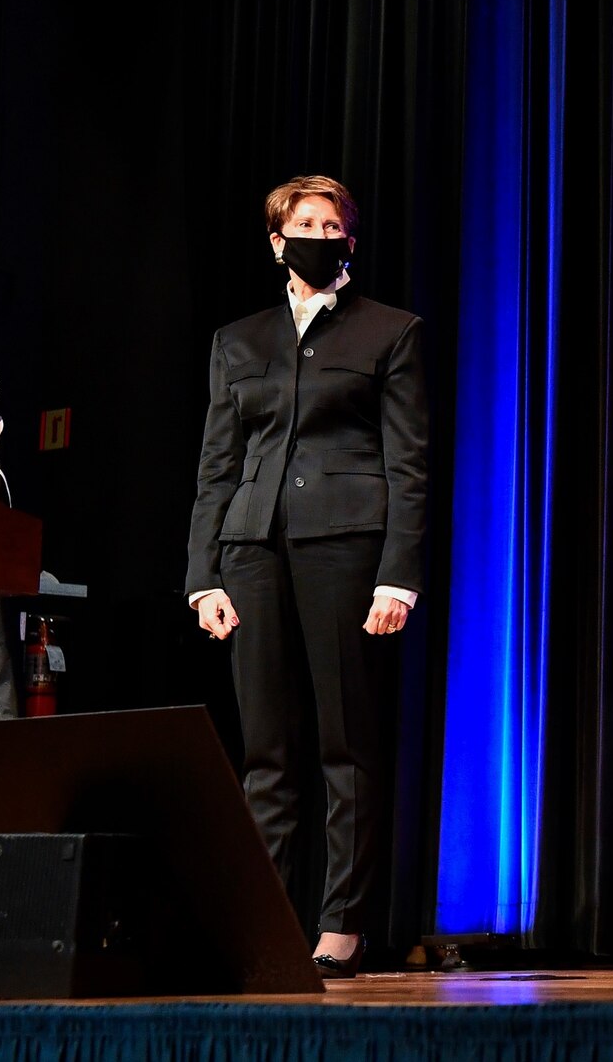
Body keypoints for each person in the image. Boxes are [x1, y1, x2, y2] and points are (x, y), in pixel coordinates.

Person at [184, 175, 428, 978]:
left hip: (345, 550)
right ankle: (270, 919)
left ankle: (342, 924)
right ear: (277, 241)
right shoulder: (238, 339)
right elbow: (216, 468)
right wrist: (204, 576)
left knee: (344, 745)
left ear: (349, 240)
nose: (318, 233)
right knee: (266, 751)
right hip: (251, 553)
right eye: (303, 224)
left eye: (332, 223)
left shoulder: (389, 332)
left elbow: (409, 465)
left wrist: (397, 575)